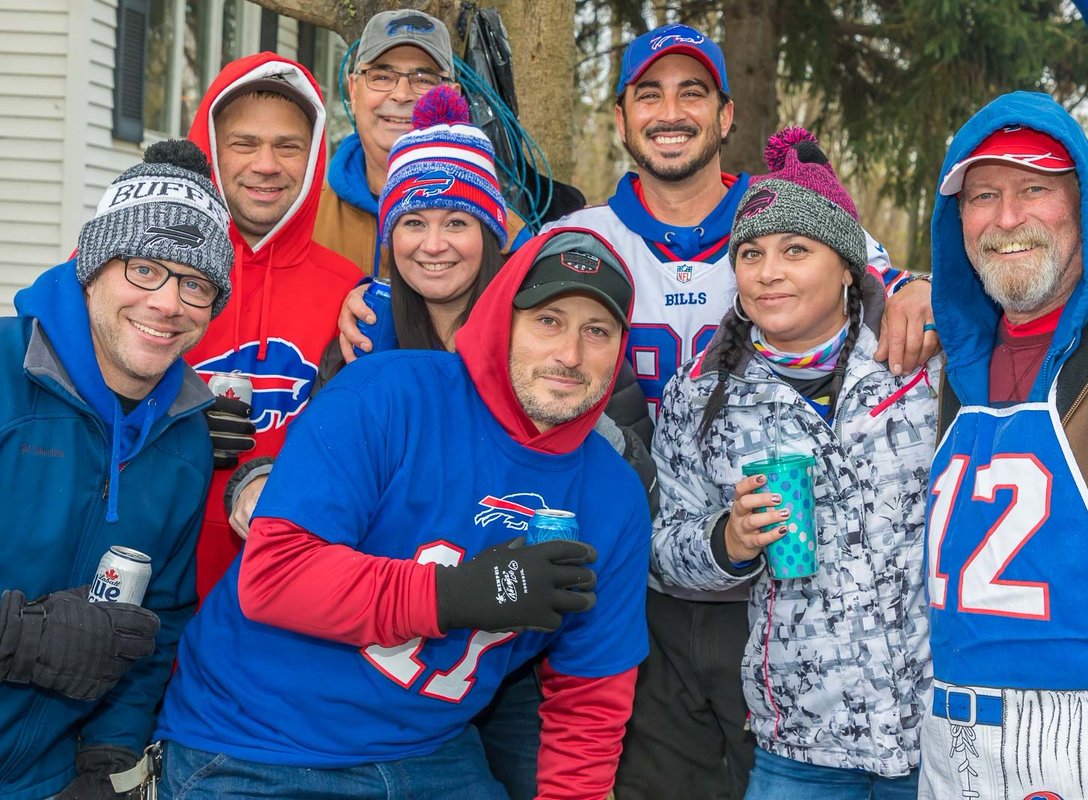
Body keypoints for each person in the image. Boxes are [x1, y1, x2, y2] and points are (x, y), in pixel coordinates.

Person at [537, 23, 938, 799]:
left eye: (693, 92)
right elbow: (493, 330)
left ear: (726, 117)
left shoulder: (787, 214)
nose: (670, 111)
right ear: (618, 119)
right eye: (648, 94)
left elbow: (896, 295)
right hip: (655, 569)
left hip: (831, 639)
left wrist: (929, 292)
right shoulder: (575, 240)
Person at [153, 227, 650, 800]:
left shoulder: (613, 494)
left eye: (597, 331)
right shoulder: (385, 394)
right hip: (257, 741)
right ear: (502, 319)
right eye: (548, 320)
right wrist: (457, 593)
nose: (570, 354)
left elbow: (591, 691)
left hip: (430, 752)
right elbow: (275, 578)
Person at [919, 91, 1088, 798]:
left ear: (1085, 205)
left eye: (1034, 188)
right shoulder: (942, 364)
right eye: (983, 196)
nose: (1006, 218)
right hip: (965, 753)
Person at [651, 128, 937, 799]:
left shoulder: (921, 364)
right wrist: (728, 540)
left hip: (939, 728)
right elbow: (662, 552)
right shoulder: (700, 397)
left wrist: (929, 289)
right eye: (750, 253)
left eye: (795, 250)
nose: (768, 270)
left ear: (846, 266)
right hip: (801, 740)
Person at [0, 140, 234, 800]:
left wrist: (110, 754)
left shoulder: (186, 437)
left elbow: (158, 622)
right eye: (144, 269)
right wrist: (20, 636)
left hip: (45, 777)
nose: (167, 304)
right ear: (92, 268)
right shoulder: (4, 376)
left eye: (195, 283)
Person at [183, 52, 362, 598]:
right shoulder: (147, 264)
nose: (266, 164)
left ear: (314, 159)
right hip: (149, 571)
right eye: (243, 143)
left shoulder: (348, 292)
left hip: (280, 590)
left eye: (288, 146)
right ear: (211, 148)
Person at [313, 8, 525, 276]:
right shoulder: (306, 220)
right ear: (354, 91)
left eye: (423, 79)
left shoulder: (502, 235)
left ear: (452, 96)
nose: (401, 95)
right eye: (382, 77)